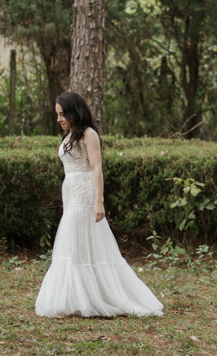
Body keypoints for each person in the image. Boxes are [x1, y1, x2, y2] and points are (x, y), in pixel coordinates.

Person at [35, 92, 164, 318]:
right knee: (74, 242)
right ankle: (77, 297)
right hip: (71, 192)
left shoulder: (88, 134)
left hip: (85, 193)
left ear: (74, 111)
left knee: (79, 240)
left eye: (62, 114)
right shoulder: (70, 135)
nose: (59, 119)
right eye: (57, 115)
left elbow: (96, 168)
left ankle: (96, 297)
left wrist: (99, 201)